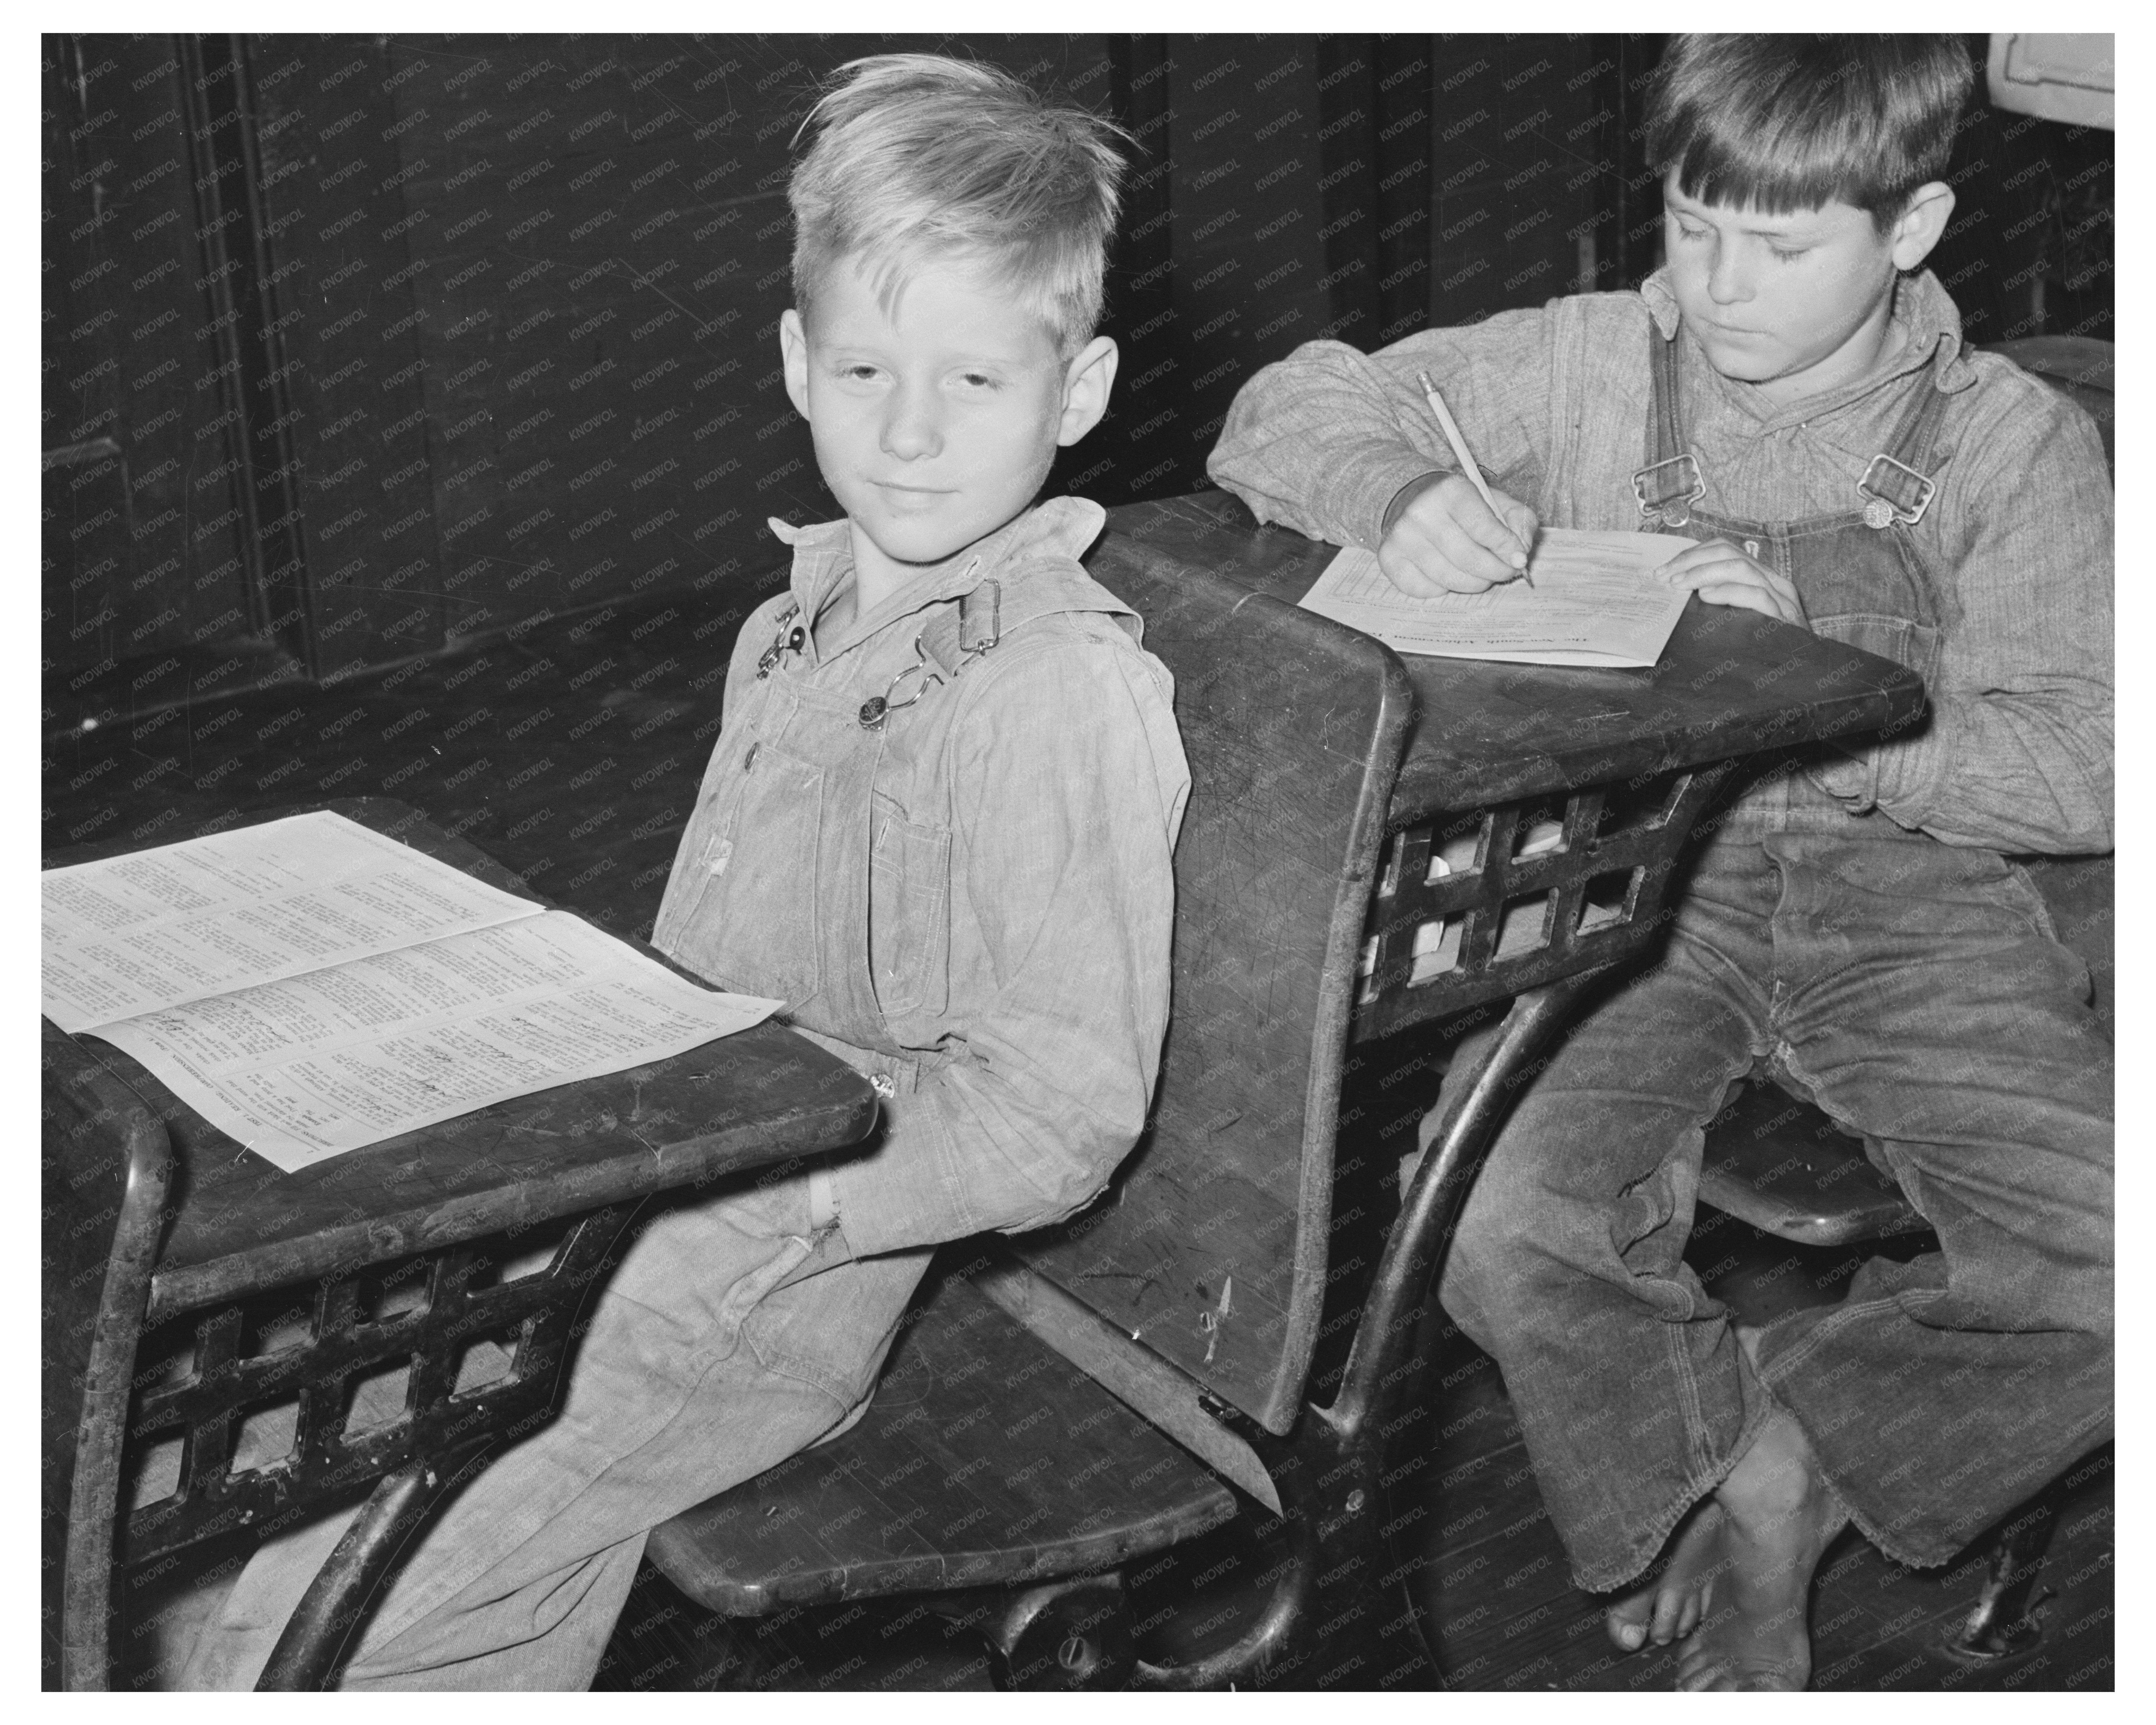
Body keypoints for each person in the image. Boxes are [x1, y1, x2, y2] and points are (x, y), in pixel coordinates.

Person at [180, 54, 1189, 1690]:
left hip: (765, 1282)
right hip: (636, 1198)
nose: (911, 430)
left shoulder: (1059, 691)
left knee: (317, 1613)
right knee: (260, 1468)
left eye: (976, 383)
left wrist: (773, 1177)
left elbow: (1058, 1115)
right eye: (865, 365)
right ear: (797, 362)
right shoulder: (790, 625)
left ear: (1075, 396)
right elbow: (706, 972)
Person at [1207, 34, 2110, 1692]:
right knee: (1492, 1220)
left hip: (1913, 893)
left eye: (1780, 247)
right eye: (1695, 226)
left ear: (1912, 229)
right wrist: (1400, 491)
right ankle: (1701, 1465)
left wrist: (1823, 686)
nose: (1720, 283)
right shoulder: (1598, 363)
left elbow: (2088, 766)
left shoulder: (2013, 443)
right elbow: (1285, 407)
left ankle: (1789, 1469)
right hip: (1643, 880)